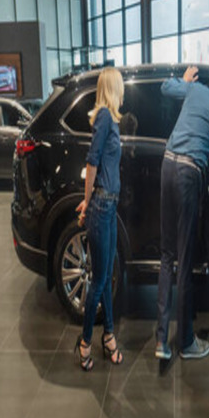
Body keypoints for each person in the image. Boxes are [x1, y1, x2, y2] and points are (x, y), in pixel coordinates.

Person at [155, 66, 209, 361]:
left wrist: (184, 80)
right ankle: (186, 342)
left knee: (166, 254)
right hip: (188, 171)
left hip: (167, 163)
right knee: (184, 260)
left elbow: (165, 87)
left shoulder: (195, 89)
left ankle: (161, 341)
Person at [74, 67, 125, 371]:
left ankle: (108, 336)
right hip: (102, 206)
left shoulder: (110, 118)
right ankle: (84, 342)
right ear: (113, 87)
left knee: (106, 276)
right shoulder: (105, 116)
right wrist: (89, 198)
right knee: (99, 280)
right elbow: (92, 161)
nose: (124, 91)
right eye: (121, 86)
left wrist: (88, 198)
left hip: (108, 204)